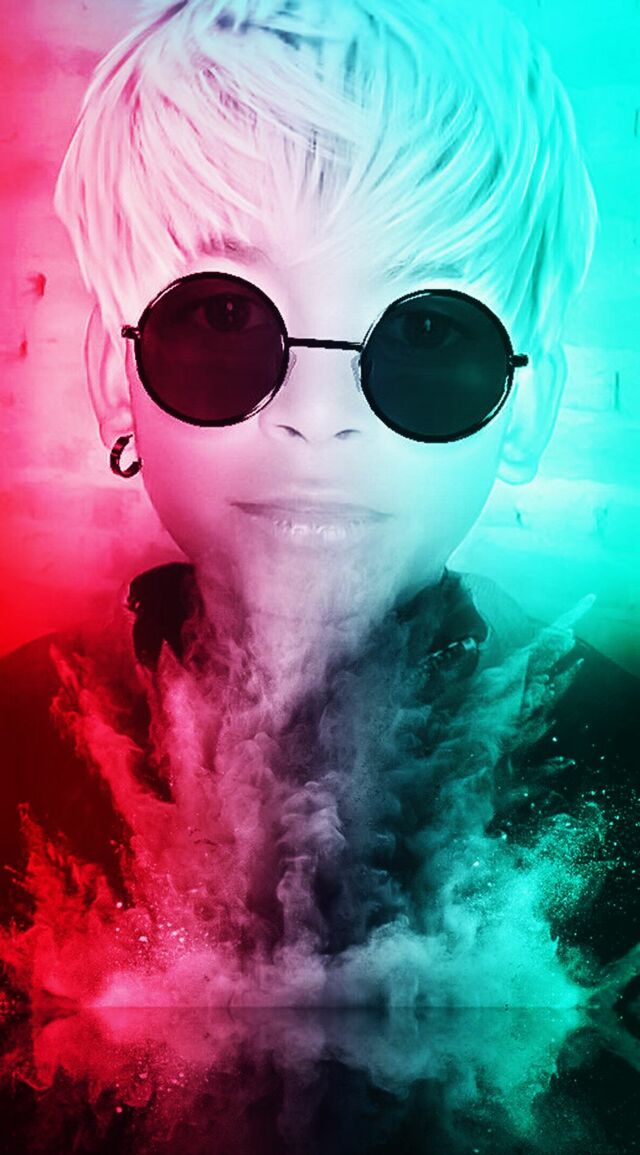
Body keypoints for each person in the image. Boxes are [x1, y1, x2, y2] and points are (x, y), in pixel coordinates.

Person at [1, 0, 638, 1020]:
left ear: (526, 409)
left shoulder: (622, 761)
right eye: (225, 314)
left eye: (426, 330)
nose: (318, 413)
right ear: (115, 377)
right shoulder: (16, 742)